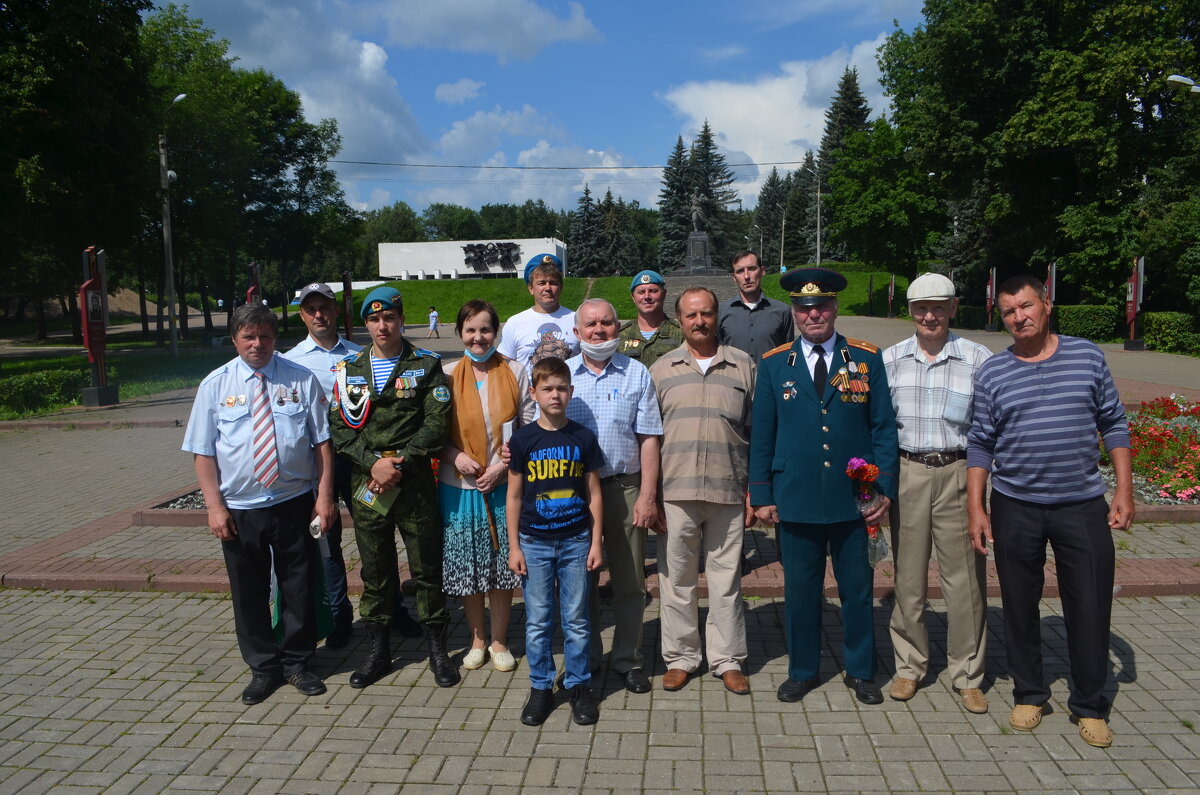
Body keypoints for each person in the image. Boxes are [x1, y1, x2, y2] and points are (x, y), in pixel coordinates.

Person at [967, 275, 1133, 748]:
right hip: (1016, 505)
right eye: (1008, 312)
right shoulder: (994, 372)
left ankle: (1090, 704)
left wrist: (1124, 490)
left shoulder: (1087, 356)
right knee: (1019, 605)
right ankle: (1030, 693)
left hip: (1080, 505)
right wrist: (977, 508)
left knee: (1090, 604)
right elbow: (980, 442)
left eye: (1026, 306)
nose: (1019, 317)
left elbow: (1114, 422)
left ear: (1047, 304)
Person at [748, 267, 898, 705]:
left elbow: (883, 426)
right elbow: (763, 435)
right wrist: (762, 494)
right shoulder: (776, 364)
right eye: (804, 307)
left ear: (834, 308)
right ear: (794, 312)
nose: (814, 315)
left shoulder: (866, 359)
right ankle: (803, 670)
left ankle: (861, 670)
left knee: (857, 590)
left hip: (856, 500)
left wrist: (884, 487)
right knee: (800, 593)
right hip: (795, 500)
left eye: (822, 306)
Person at [182, 303, 337, 705]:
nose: (257, 344)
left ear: (275, 339)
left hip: (293, 501)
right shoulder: (215, 385)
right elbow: (203, 453)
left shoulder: (300, 379)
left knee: (299, 586)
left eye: (265, 336)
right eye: (249, 337)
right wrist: (214, 507)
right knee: (248, 592)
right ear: (235, 340)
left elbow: (322, 443)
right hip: (240, 508)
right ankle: (263, 668)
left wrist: (324, 497)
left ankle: (298, 663)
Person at [329, 286, 459, 689]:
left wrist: (398, 463)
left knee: (426, 567)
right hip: (368, 484)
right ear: (365, 324)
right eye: (374, 319)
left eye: (389, 318)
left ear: (401, 319)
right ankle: (378, 649)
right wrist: (374, 464)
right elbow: (338, 429)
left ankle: (438, 647)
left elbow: (436, 423)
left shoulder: (426, 364)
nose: (382, 326)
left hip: (413, 481)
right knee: (376, 571)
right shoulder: (349, 369)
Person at [283, 283, 421, 649]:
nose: (318, 315)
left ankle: (392, 608)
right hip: (319, 468)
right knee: (327, 542)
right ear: (302, 314)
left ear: (335, 310)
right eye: (310, 309)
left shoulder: (361, 355)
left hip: (361, 463)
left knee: (377, 537)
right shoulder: (292, 361)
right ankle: (340, 613)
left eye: (324, 307)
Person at [882, 273, 992, 713]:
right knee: (907, 579)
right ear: (909, 312)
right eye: (920, 308)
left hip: (958, 472)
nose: (929, 316)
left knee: (964, 580)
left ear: (953, 308)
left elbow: (988, 426)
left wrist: (982, 493)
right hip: (908, 472)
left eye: (938, 307)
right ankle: (909, 667)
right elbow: (880, 426)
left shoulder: (976, 358)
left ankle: (967, 673)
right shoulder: (890, 360)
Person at [650, 287, 756, 695]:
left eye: (707, 313)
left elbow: (756, 430)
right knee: (677, 580)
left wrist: (754, 492)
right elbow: (649, 438)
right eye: (691, 315)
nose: (700, 321)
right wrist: (651, 495)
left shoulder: (743, 366)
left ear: (717, 316)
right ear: (679, 320)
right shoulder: (661, 369)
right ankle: (681, 658)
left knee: (726, 580)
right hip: (675, 493)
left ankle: (728, 659)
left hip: (729, 489)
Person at [565, 298, 663, 694]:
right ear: (576, 332)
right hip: (573, 495)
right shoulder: (563, 376)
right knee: (580, 582)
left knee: (630, 581)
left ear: (617, 328)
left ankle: (628, 658)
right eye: (591, 324)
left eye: (607, 323)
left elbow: (650, 438)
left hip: (625, 488)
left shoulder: (636, 372)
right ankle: (585, 659)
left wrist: (648, 496)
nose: (599, 330)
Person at [506, 356, 604, 726]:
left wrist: (596, 542)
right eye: (547, 388)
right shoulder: (523, 440)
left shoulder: (582, 437)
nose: (555, 394)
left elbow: (594, 494)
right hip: (534, 543)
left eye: (562, 388)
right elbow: (514, 497)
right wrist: (515, 546)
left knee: (577, 620)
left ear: (571, 391)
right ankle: (541, 687)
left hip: (577, 540)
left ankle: (579, 686)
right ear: (533, 393)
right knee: (538, 620)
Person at [440, 299, 535, 674]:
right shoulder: (445, 374)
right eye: (470, 330)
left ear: (496, 332)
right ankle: (476, 639)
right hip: (459, 484)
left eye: (485, 329)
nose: (478, 337)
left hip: (504, 483)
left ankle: (499, 639)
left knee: (500, 564)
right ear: (460, 332)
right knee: (469, 564)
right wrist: (454, 456)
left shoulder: (516, 370)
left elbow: (529, 427)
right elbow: (434, 431)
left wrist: (500, 467)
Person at [496, 253, 578, 372]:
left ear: (561, 287)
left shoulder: (577, 319)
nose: (548, 288)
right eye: (541, 283)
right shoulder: (515, 323)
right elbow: (504, 366)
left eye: (553, 283)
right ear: (531, 288)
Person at [718, 250, 794, 361]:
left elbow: (789, 352)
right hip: (735, 378)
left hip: (770, 378)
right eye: (740, 271)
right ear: (733, 277)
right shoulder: (721, 311)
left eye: (751, 269)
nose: (746, 276)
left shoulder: (782, 311)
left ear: (762, 271)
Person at [618, 270, 683, 367]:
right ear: (633, 297)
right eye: (641, 292)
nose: (647, 296)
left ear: (664, 294)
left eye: (653, 291)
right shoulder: (620, 336)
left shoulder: (681, 333)